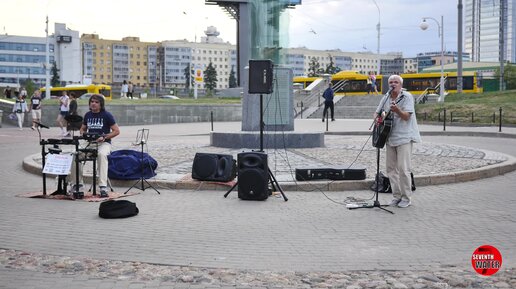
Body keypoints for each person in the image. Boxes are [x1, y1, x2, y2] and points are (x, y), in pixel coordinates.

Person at [374, 74, 421, 208]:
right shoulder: (386, 97)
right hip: (389, 137)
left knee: (403, 168)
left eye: (395, 82)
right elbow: (377, 113)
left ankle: (406, 197)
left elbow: (406, 116)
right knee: (390, 169)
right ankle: (396, 196)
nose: (393, 84)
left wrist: (397, 110)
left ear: (400, 84)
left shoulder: (406, 97)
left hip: (404, 137)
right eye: (391, 82)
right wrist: (378, 120)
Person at [69, 94, 120, 198]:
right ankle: (77, 184)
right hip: (90, 143)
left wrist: (104, 137)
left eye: (96, 102)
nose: (93, 103)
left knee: (101, 155)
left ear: (101, 104)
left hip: (104, 143)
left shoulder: (107, 115)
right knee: (76, 155)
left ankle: (102, 187)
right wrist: (83, 133)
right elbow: (82, 129)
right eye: (92, 101)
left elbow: (116, 131)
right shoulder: (88, 115)